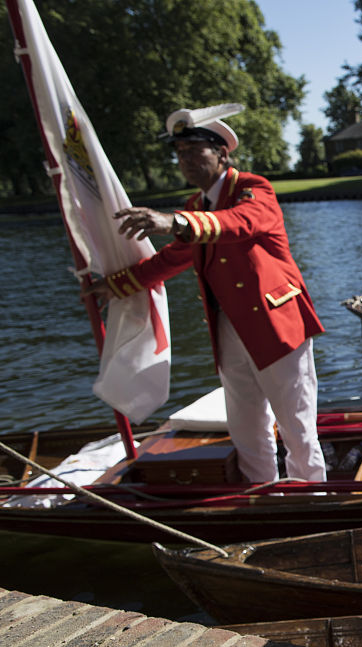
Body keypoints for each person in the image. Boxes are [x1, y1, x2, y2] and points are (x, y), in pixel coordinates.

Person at [95, 106, 326, 484]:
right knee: (246, 429)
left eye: (194, 150)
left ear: (222, 153)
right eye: (180, 152)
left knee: (297, 429)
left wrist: (177, 223)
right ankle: (261, 500)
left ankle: (314, 503)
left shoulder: (254, 190)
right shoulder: (197, 207)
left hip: (276, 328)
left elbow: (239, 223)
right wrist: (118, 284)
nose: (185, 159)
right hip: (228, 330)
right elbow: (171, 259)